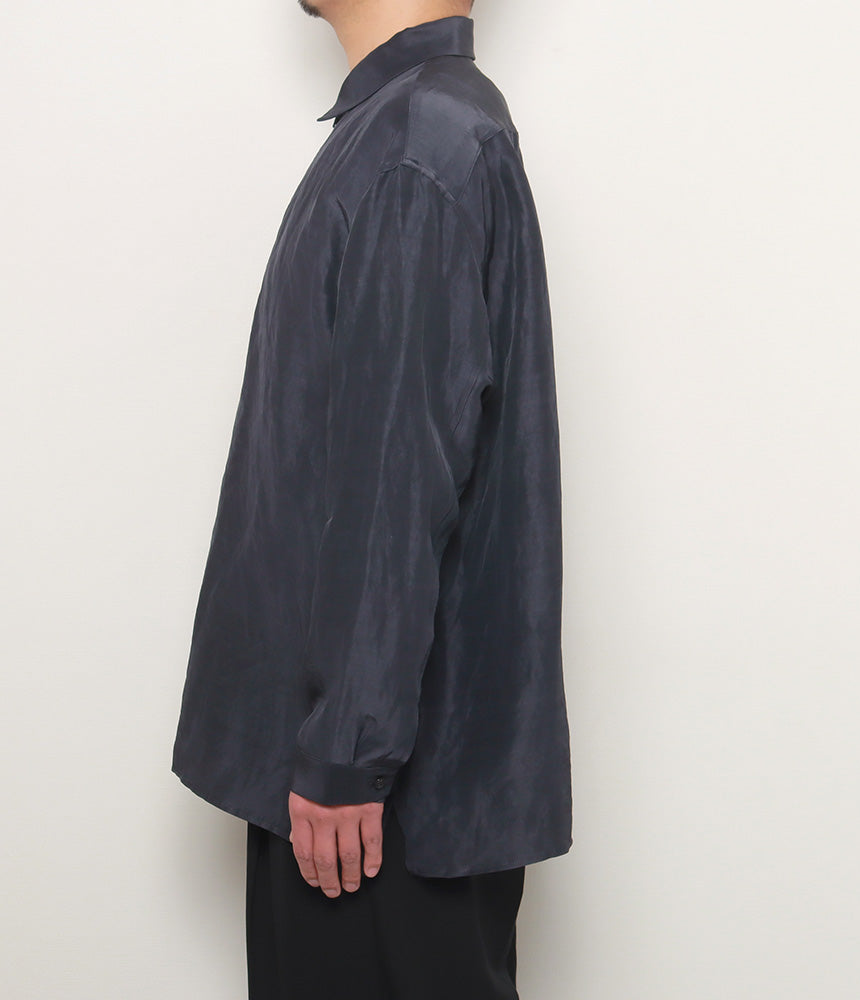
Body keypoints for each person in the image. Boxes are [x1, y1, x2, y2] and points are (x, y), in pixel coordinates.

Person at [171, 3, 572, 996]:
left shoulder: (413, 143)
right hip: (369, 785)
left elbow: (397, 473)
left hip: (373, 810)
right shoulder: (409, 129)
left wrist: (348, 754)